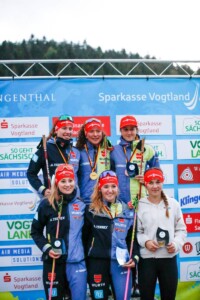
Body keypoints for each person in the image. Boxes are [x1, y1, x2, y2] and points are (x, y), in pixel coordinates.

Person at [110, 115, 160, 296]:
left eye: (132, 129)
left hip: (143, 203)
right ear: (121, 131)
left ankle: (141, 282)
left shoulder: (148, 149)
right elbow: (108, 174)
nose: (129, 132)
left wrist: (147, 177)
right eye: (126, 129)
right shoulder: (113, 150)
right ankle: (126, 282)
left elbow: (158, 173)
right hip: (121, 205)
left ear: (137, 130)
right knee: (123, 242)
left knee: (143, 241)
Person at [31, 164, 87, 300]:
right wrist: (47, 248)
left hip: (76, 263)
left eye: (70, 180)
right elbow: (35, 231)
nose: (67, 184)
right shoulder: (46, 204)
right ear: (56, 182)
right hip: (53, 263)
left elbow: (88, 234)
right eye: (63, 181)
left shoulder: (81, 205)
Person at [83, 170, 139, 300]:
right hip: (97, 263)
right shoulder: (91, 211)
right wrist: (86, 262)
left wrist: (135, 257)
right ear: (100, 188)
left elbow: (133, 239)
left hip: (121, 263)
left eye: (113, 186)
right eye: (106, 186)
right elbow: (84, 239)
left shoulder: (126, 211)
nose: (110, 190)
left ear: (118, 188)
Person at [137, 167, 187, 300]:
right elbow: (137, 232)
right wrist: (146, 242)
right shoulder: (139, 205)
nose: (154, 186)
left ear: (163, 182)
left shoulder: (173, 204)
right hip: (147, 260)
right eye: (151, 182)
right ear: (145, 184)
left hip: (168, 259)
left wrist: (176, 244)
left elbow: (181, 229)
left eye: (158, 182)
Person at [27, 114, 80, 198]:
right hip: (53, 198)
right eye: (64, 128)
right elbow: (31, 173)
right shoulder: (45, 148)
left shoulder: (76, 151)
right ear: (56, 130)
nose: (68, 131)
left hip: (73, 200)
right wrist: (43, 190)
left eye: (70, 129)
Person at [76, 117, 113, 205]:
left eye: (98, 131)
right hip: (85, 201)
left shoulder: (108, 151)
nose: (95, 134)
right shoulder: (78, 152)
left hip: (104, 201)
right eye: (91, 131)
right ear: (85, 133)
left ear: (102, 133)